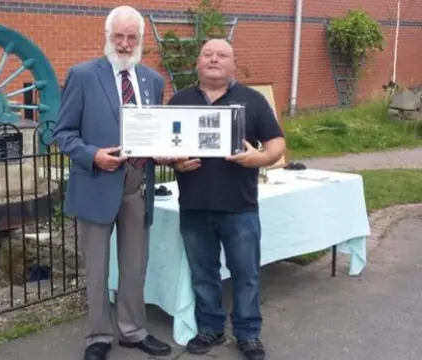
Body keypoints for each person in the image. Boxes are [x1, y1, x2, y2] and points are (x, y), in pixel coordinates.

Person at [52, 5, 175, 360]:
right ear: (107, 38)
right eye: (118, 36)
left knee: (135, 266)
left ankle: (133, 331)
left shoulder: (153, 80)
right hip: (95, 182)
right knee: (97, 268)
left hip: (137, 188)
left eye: (131, 37)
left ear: (140, 40)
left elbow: (153, 133)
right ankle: (98, 337)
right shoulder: (83, 75)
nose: (124, 44)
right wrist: (93, 155)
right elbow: (63, 133)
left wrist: (162, 152)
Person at [168, 39, 286, 360]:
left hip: (240, 206)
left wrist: (258, 158)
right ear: (198, 62)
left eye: (222, 55)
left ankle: (248, 334)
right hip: (194, 206)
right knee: (203, 274)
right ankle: (211, 328)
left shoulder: (253, 100)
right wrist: (173, 162)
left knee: (245, 274)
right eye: (208, 54)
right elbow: (164, 148)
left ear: (234, 64)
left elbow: (277, 144)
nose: (214, 60)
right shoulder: (179, 100)